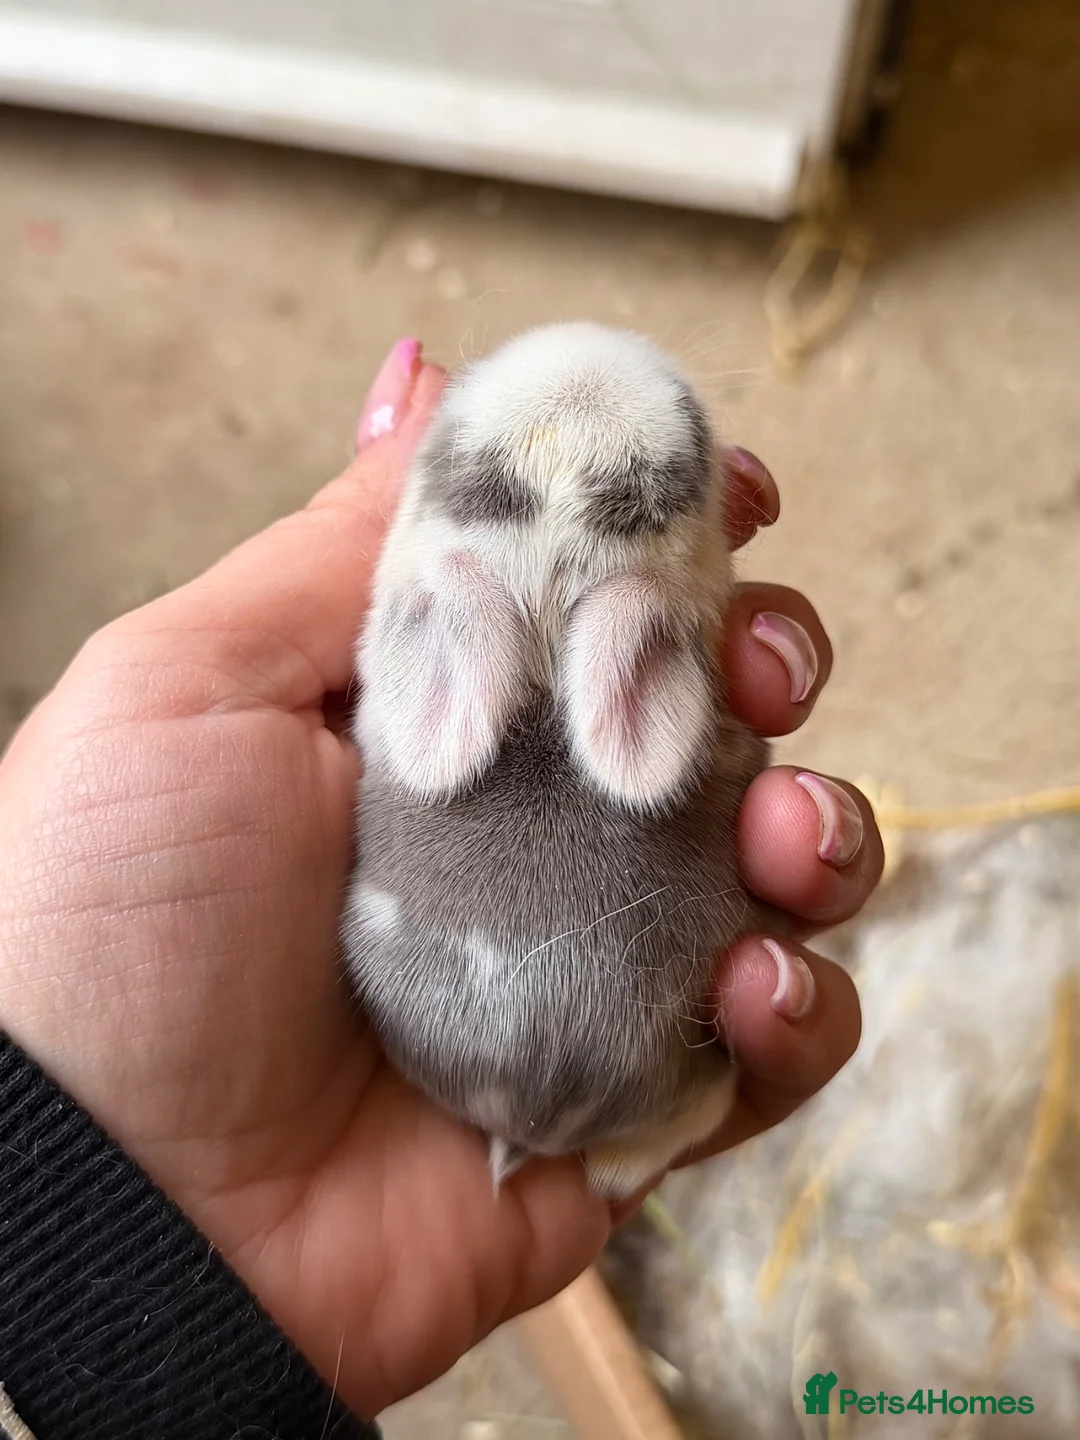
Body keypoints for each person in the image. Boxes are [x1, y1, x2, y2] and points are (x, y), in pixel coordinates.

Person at [0, 341, 882, 1439]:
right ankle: (656, 1112)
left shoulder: (432, 588)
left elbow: (415, 718)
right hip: (616, 1061)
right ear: (646, 624)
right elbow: (648, 753)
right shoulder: (658, 642)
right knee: (729, 864)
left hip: (420, 1039)